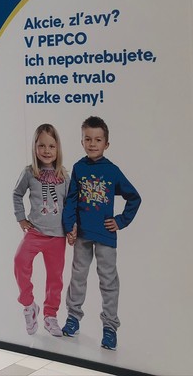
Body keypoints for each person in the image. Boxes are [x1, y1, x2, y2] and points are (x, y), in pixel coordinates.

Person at [60, 116, 141, 351]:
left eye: (98, 140)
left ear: (106, 143)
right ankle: (73, 318)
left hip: (106, 236)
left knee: (108, 281)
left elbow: (134, 197)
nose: (92, 144)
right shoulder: (78, 168)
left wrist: (120, 221)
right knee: (78, 277)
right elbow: (71, 201)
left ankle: (110, 328)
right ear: (82, 141)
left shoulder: (112, 171)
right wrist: (69, 227)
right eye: (88, 139)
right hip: (82, 235)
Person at [13, 123, 69, 337]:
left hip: (57, 236)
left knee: (55, 277)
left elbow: (70, 203)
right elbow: (17, 194)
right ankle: (29, 305)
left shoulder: (63, 175)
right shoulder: (30, 173)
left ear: (58, 149)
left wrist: (72, 227)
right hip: (35, 232)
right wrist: (21, 218)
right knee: (20, 261)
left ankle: (50, 315)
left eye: (51, 146)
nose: (47, 150)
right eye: (42, 146)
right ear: (35, 147)